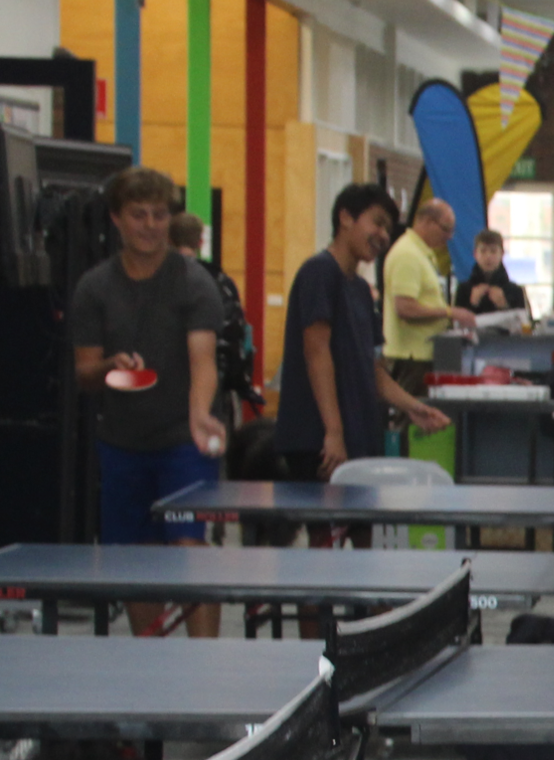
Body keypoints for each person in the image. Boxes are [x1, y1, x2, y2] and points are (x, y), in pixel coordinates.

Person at [68, 167, 227, 638]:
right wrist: (110, 366)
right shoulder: (94, 288)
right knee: (135, 556)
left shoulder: (194, 284)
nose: (150, 225)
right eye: (139, 215)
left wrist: (200, 413)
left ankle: (205, 665)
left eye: (159, 215)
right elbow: (85, 373)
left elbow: (203, 361)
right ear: (117, 219)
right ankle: (151, 660)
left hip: (183, 441)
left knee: (186, 544)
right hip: (121, 443)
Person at [276, 183, 450, 483]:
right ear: (346, 218)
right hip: (319, 437)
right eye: (378, 223)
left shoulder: (359, 289)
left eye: (388, 228)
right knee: (327, 531)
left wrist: (413, 406)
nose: (383, 235)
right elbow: (317, 353)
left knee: (363, 529)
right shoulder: (318, 273)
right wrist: (333, 432)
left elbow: (373, 369)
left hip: (359, 432)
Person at [381, 198, 474, 411]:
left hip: (422, 354)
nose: (449, 236)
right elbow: (404, 307)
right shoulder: (407, 255)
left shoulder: (422, 253)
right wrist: (449, 312)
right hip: (411, 358)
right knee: (412, 418)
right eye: (446, 229)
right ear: (427, 222)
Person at [169, 212, 259, 416]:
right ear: (200, 241)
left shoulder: (160, 280)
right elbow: (239, 332)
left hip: (170, 384)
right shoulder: (220, 281)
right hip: (215, 384)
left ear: (169, 240)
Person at [459, 228, 531, 319]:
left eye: (493, 251)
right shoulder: (463, 290)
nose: (488, 257)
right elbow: (455, 325)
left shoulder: (515, 291)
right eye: (483, 251)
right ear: (475, 254)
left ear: (502, 254)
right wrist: (472, 304)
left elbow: (526, 324)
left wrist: (504, 306)